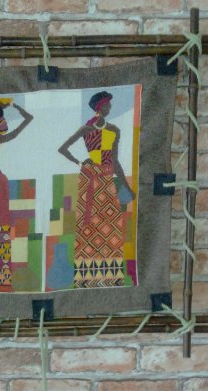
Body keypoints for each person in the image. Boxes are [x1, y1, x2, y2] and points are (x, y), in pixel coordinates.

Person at [58, 91, 135, 286]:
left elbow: (115, 161)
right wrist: (80, 163)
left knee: (111, 227)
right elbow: (63, 149)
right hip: (90, 180)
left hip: (106, 181)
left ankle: (111, 277)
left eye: (109, 105)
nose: (110, 108)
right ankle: (86, 278)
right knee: (88, 228)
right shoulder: (86, 129)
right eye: (107, 105)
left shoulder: (114, 130)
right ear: (99, 107)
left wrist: (126, 186)